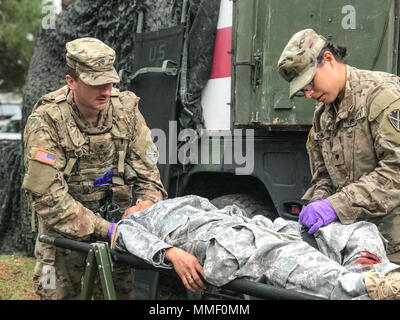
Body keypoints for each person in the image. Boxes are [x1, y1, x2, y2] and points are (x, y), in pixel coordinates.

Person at [22, 37, 167, 300]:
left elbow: (150, 177)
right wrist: (106, 230)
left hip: (115, 238)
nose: (105, 89)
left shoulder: (126, 111)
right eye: (95, 83)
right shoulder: (46, 120)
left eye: (109, 81)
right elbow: (47, 198)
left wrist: (147, 205)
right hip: (63, 240)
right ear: (71, 82)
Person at [113, 195, 400, 300]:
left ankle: (381, 275)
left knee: (356, 231)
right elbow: (124, 237)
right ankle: (364, 287)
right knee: (296, 261)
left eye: (137, 202)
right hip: (229, 243)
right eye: (131, 206)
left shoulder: (175, 202)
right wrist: (171, 253)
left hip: (252, 226)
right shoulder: (138, 221)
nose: (137, 203)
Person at [277, 29, 400, 264]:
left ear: (329, 60)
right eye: (303, 90)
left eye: (310, 82)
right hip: (357, 245)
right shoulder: (323, 116)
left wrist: (335, 206)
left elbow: (396, 172)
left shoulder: (382, 97)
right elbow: (324, 176)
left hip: (394, 246)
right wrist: (317, 204)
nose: (309, 93)